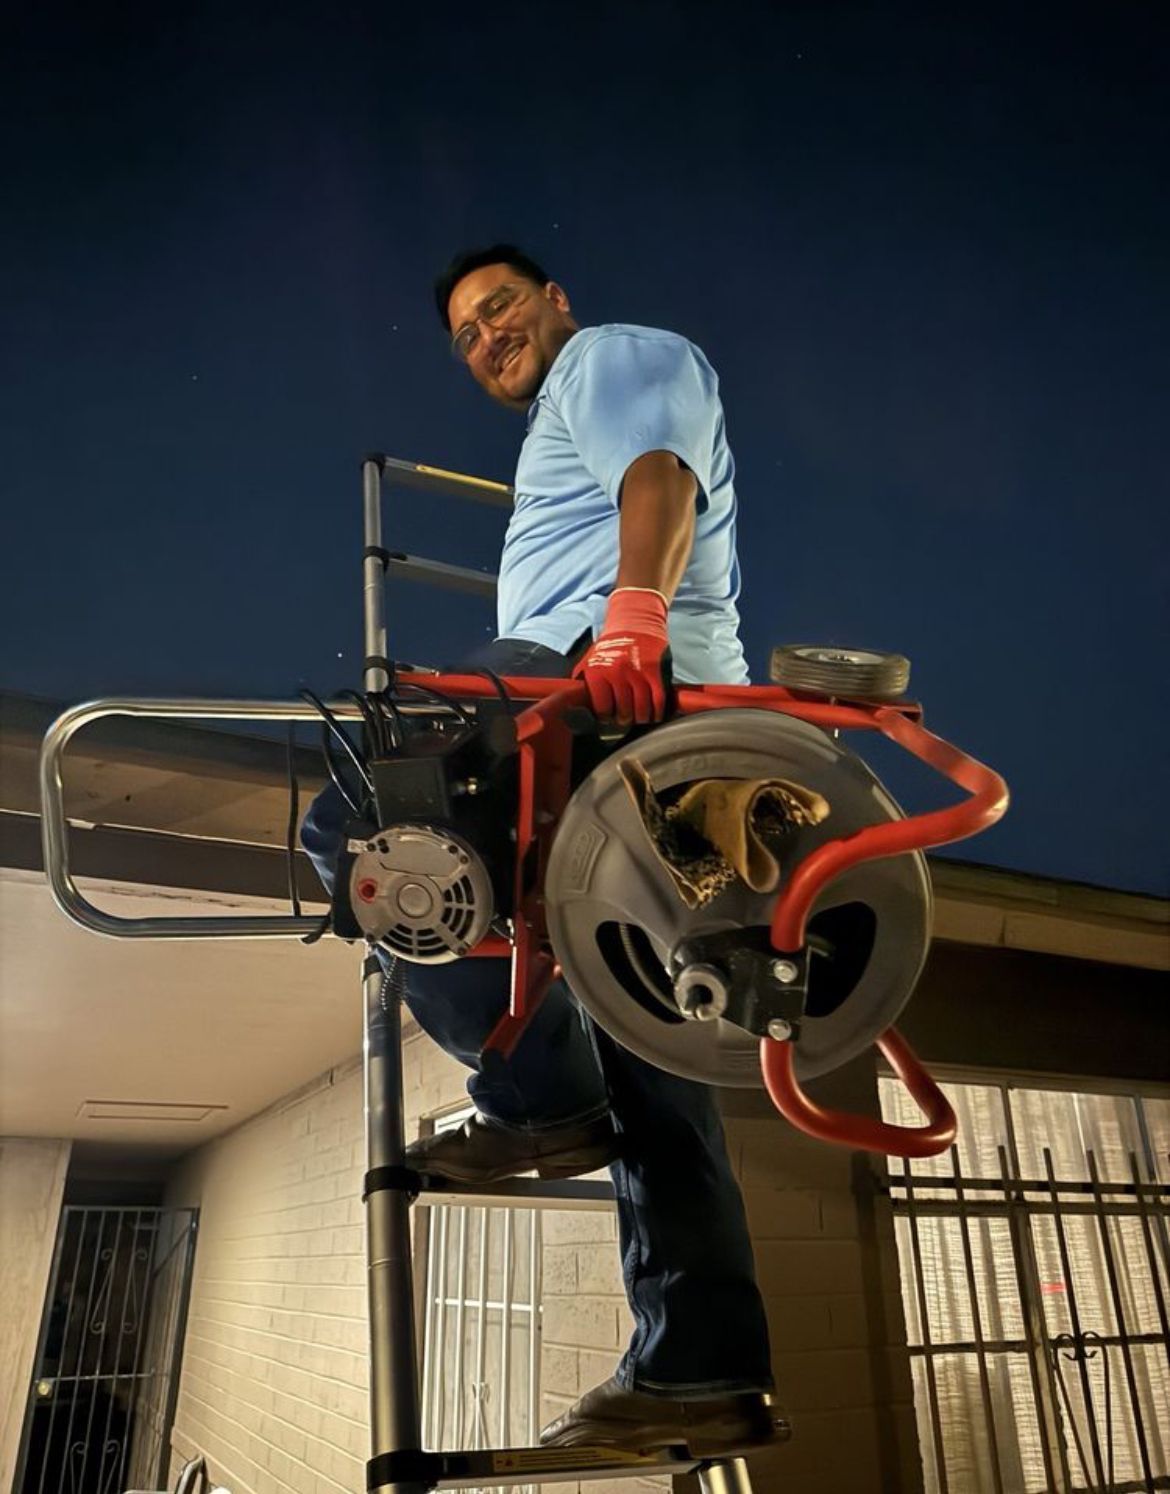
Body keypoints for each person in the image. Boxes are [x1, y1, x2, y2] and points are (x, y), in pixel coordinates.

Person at [302, 245, 779, 1454]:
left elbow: (660, 474)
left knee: (364, 819)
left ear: (558, 298)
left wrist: (631, 615)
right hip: (640, 720)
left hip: (602, 679)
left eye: (500, 307)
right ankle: (702, 1368)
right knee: (651, 1033)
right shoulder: (555, 424)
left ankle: (537, 1095)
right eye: (465, 334)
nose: (486, 338)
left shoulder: (613, 359)